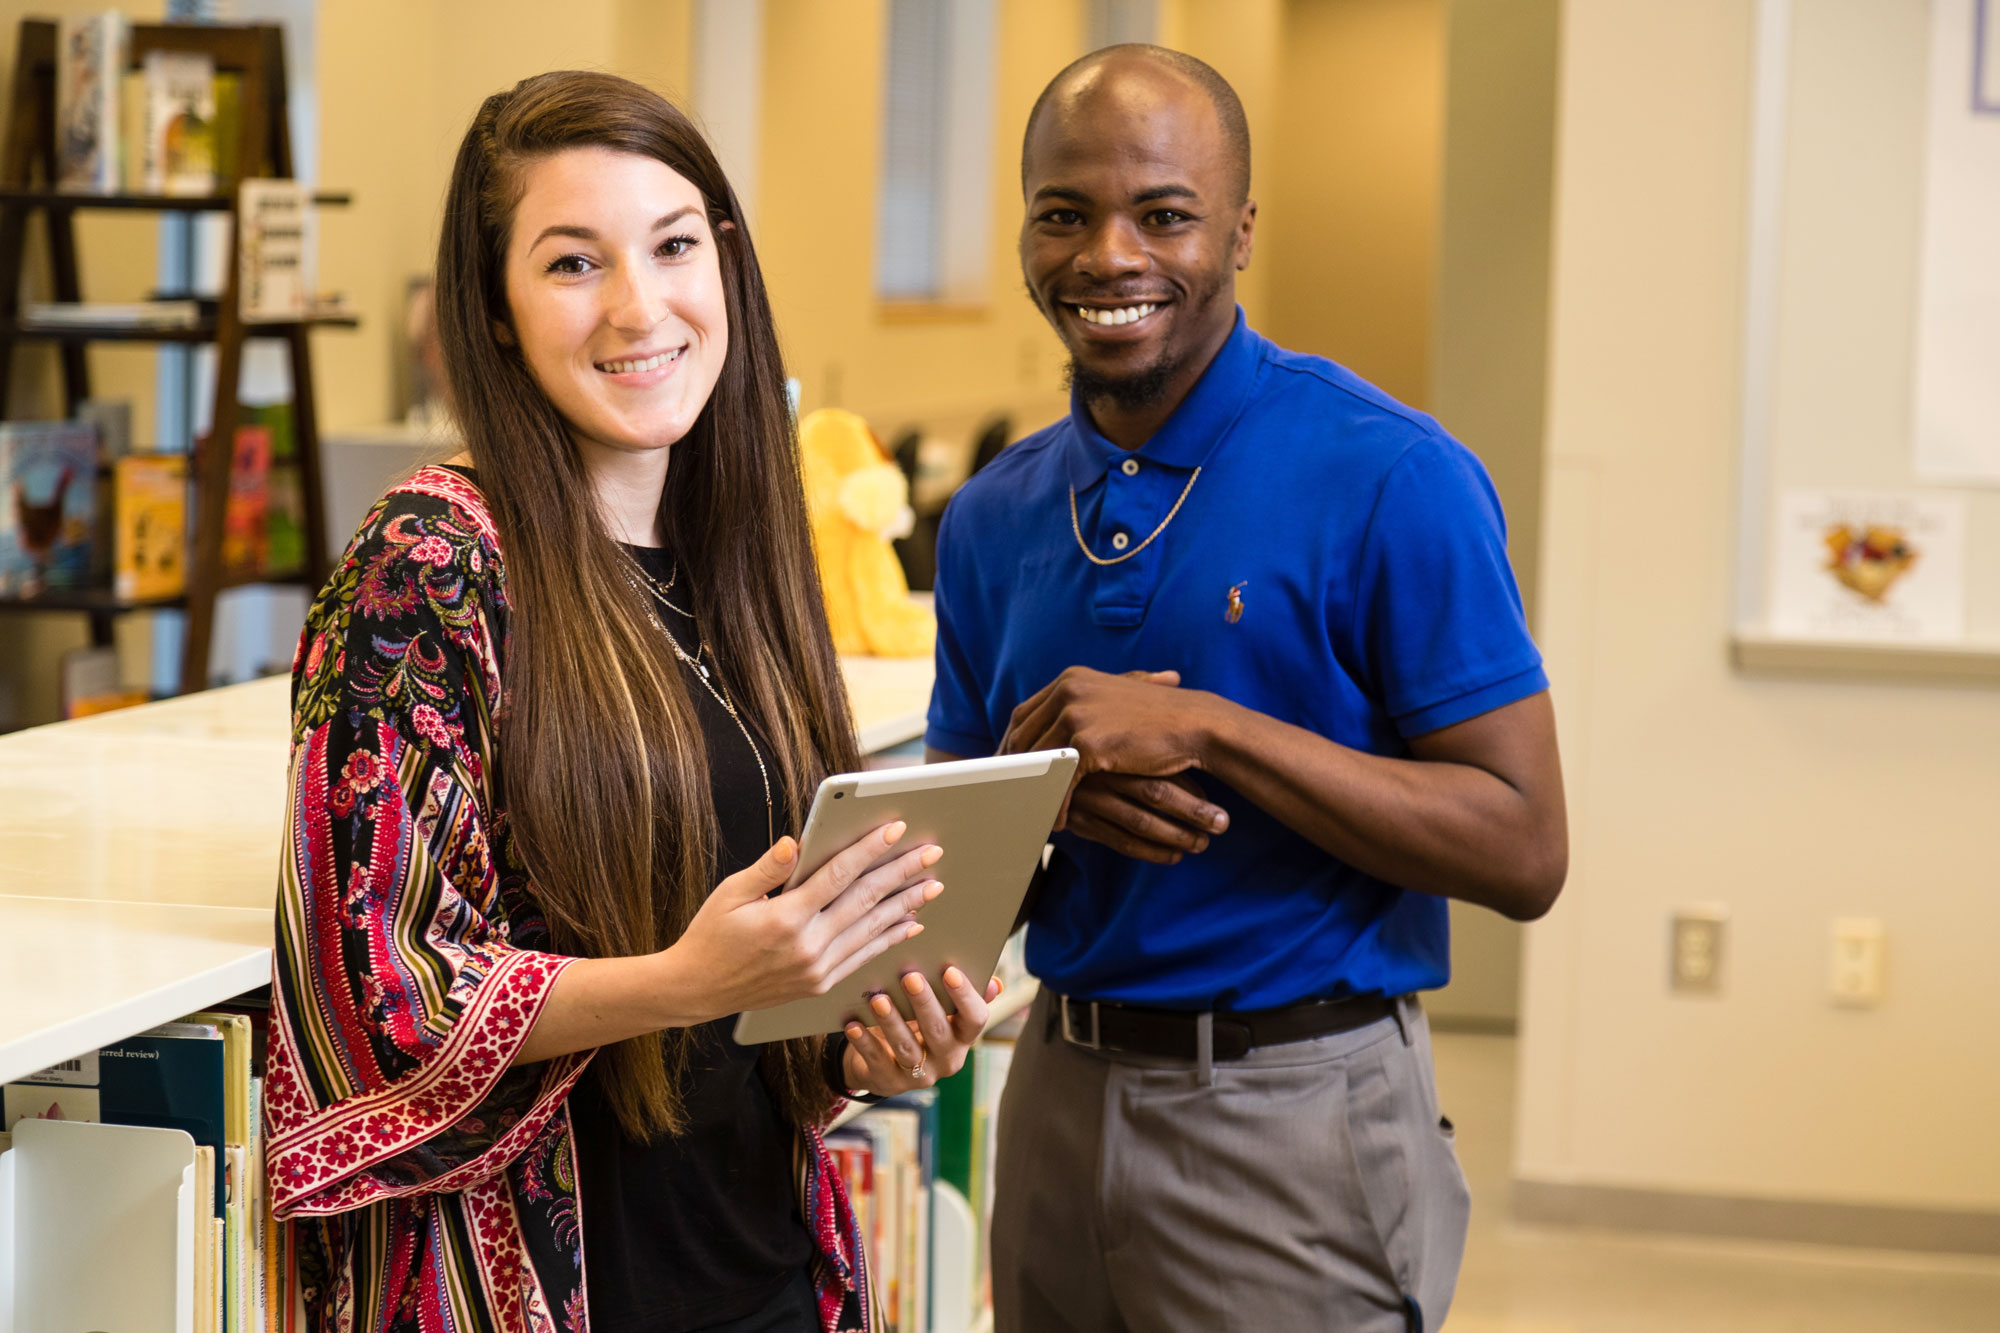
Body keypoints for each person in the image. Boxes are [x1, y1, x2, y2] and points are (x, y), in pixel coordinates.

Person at [265, 71, 1000, 1333]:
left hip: (767, 1276)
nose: (638, 306)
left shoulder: (742, 557)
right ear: (490, 314)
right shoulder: (429, 565)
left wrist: (855, 1041)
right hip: (545, 1296)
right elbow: (370, 992)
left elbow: (755, 1017)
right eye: (571, 264)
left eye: (671, 246)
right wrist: (677, 980)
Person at [925, 46, 1568, 1333]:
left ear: (1238, 231)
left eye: (1161, 214)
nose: (1109, 255)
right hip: (1053, 1089)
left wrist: (1210, 727)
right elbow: (953, 852)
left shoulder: (1390, 477)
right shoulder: (991, 516)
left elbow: (1522, 848)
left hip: (1289, 1112)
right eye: (1063, 213)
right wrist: (1043, 796)